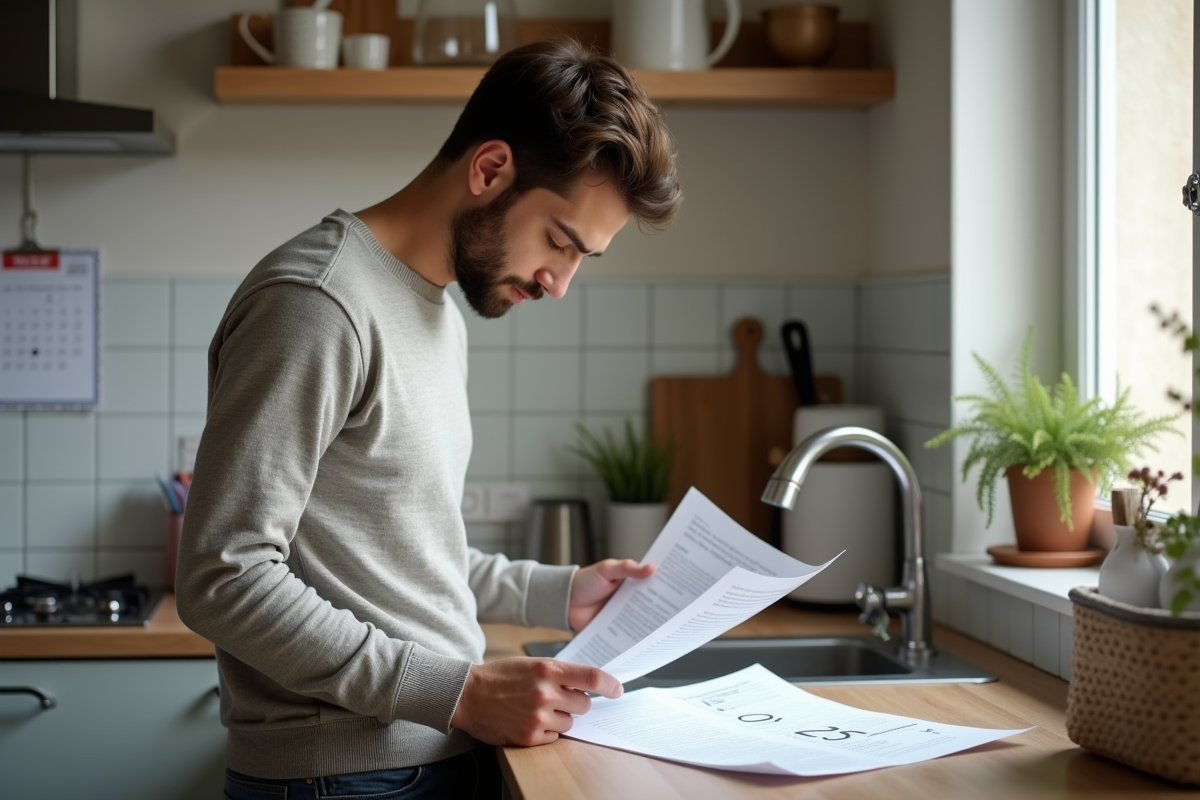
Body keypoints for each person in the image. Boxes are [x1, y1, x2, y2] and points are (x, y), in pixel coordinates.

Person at [174, 38, 682, 800]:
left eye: (584, 258)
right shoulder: (318, 304)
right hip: (343, 777)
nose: (560, 282)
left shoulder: (436, 310)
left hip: (425, 756)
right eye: (559, 241)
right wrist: (462, 693)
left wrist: (557, 591)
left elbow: (401, 552)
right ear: (489, 170)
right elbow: (223, 575)